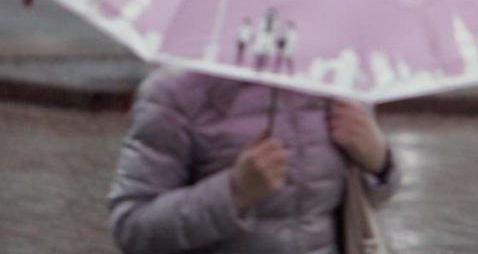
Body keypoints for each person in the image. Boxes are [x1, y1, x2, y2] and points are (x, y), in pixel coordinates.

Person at [108, 67, 398, 254]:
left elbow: (355, 202)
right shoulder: (174, 94)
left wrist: (379, 160)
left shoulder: (336, 81)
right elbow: (133, 225)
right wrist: (233, 193)